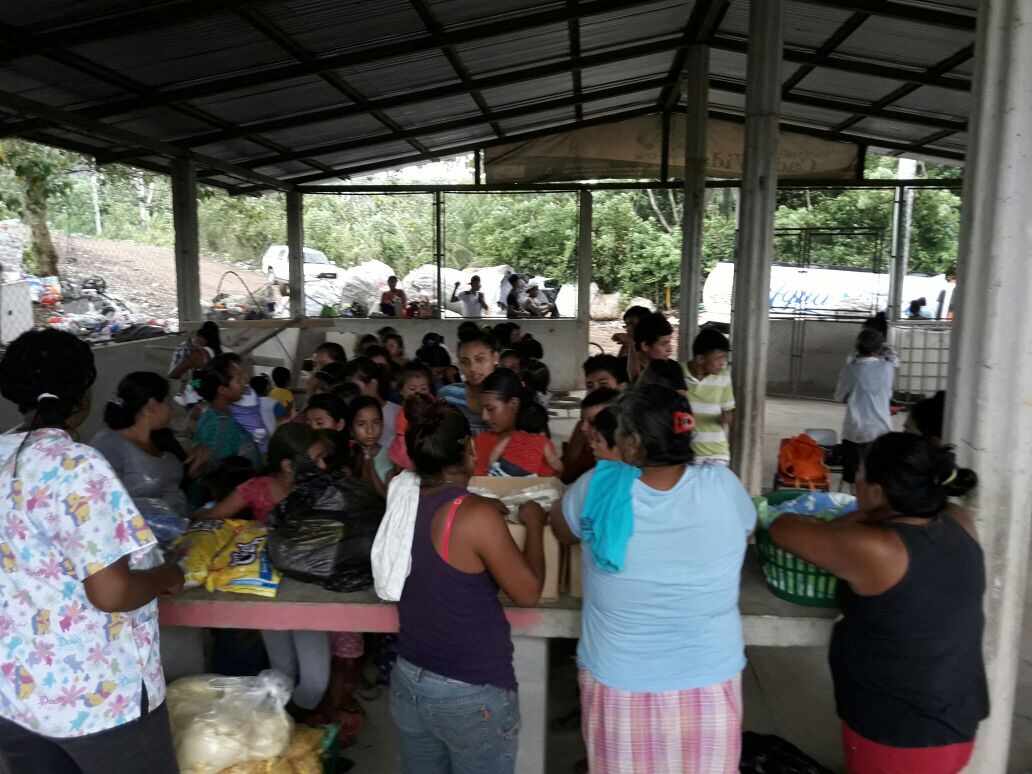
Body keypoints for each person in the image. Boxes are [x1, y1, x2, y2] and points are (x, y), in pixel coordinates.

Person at [0, 329, 184, 773]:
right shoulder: (77, 464)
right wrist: (168, 576)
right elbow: (111, 592)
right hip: (99, 699)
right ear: (84, 396)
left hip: (15, 694)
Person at [550, 384, 755, 773]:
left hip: (620, 679)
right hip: (709, 678)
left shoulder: (598, 486)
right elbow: (746, 530)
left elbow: (562, 529)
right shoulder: (723, 485)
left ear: (634, 442)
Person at [770, 433, 986, 773]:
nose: (855, 482)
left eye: (860, 474)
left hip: (899, 738)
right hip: (956, 721)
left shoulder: (879, 548)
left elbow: (782, 529)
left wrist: (860, 516)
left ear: (879, 492)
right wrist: (873, 512)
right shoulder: (959, 521)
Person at [391, 396, 547, 774]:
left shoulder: (401, 500)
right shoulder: (473, 516)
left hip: (410, 678)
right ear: (470, 449)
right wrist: (535, 524)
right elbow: (528, 593)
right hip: (470, 689)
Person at [91, 372, 190, 543]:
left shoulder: (163, 441)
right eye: (167, 402)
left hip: (171, 537)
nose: (171, 408)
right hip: (131, 542)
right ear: (151, 406)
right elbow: (101, 502)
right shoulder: (110, 444)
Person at [195, 424, 326, 524]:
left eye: (322, 458)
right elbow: (208, 518)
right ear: (288, 466)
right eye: (316, 460)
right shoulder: (256, 489)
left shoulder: (320, 486)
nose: (323, 466)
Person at [835, 328, 899, 485]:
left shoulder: (850, 370)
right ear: (879, 348)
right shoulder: (887, 368)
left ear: (858, 347)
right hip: (881, 431)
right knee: (877, 479)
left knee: (855, 478)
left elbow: (839, 397)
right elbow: (895, 359)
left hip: (855, 432)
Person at [190, 356, 261, 489]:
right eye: (238, 379)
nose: (245, 382)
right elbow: (215, 478)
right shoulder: (220, 425)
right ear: (223, 390)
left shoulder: (213, 415)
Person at [473, 369, 558, 478]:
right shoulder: (481, 441)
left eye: (490, 409)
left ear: (513, 404)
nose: (484, 417)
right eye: (481, 410)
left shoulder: (542, 447)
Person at [685, 329, 736, 465]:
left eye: (725, 357)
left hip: (716, 454)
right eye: (719, 358)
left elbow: (729, 411)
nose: (723, 362)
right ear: (700, 359)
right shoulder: (678, 373)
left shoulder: (724, 376)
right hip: (684, 454)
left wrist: (726, 418)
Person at [438, 328, 499, 436]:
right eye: (465, 362)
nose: (472, 368)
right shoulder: (448, 395)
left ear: (495, 357)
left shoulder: (508, 397)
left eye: (480, 359)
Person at [485, 402, 564, 478]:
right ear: (543, 423)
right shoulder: (543, 442)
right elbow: (552, 461)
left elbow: (496, 451)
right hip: (526, 475)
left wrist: (489, 467)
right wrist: (561, 470)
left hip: (504, 469)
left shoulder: (513, 435)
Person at [561, 388, 621, 484]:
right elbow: (565, 475)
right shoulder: (583, 439)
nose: (583, 428)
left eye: (592, 422)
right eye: (582, 420)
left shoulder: (625, 463)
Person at [344, 357, 401, 451]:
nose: (352, 393)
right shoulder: (349, 414)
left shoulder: (398, 413)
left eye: (356, 388)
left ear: (373, 384)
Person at [169, 321, 223, 406]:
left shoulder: (197, 354)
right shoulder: (221, 352)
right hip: (213, 395)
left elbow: (173, 374)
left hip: (195, 398)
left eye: (197, 336)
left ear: (204, 338)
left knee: (189, 382)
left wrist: (189, 383)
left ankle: (181, 393)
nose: (195, 339)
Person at [349, 396, 392, 497]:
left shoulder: (391, 456)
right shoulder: (346, 456)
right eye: (361, 424)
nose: (370, 430)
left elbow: (390, 498)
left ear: (382, 425)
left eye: (376, 422)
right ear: (350, 429)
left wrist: (371, 468)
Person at [612, 305, 650, 380]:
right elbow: (617, 370)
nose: (628, 328)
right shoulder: (631, 343)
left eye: (632, 324)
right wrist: (626, 345)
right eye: (627, 325)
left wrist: (630, 344)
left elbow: (636, 377)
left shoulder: (650, 346)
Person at [631, 312, 674, 378]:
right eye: (664, 343)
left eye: (669, 342)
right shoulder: (621, 369)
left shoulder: (673, 368)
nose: (670, 349)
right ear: (645, 346)